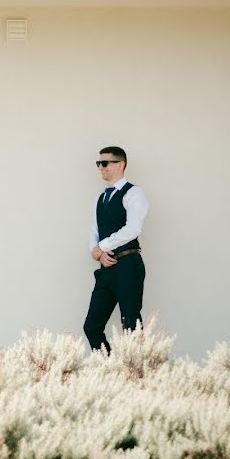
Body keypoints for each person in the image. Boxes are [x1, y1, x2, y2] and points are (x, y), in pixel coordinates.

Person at [83, 146, 149, 354]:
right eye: (98, 164)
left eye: (104, 163)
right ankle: (110, 372)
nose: (100, 168)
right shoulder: (100, 198)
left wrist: (101, 247)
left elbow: (133, 228)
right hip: (106, 269)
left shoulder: (134, 193)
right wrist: (96, 252)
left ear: (120, 164)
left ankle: (138, 376)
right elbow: (95, 229)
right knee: (92, 327)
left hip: (128, 266)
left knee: (131, 326)